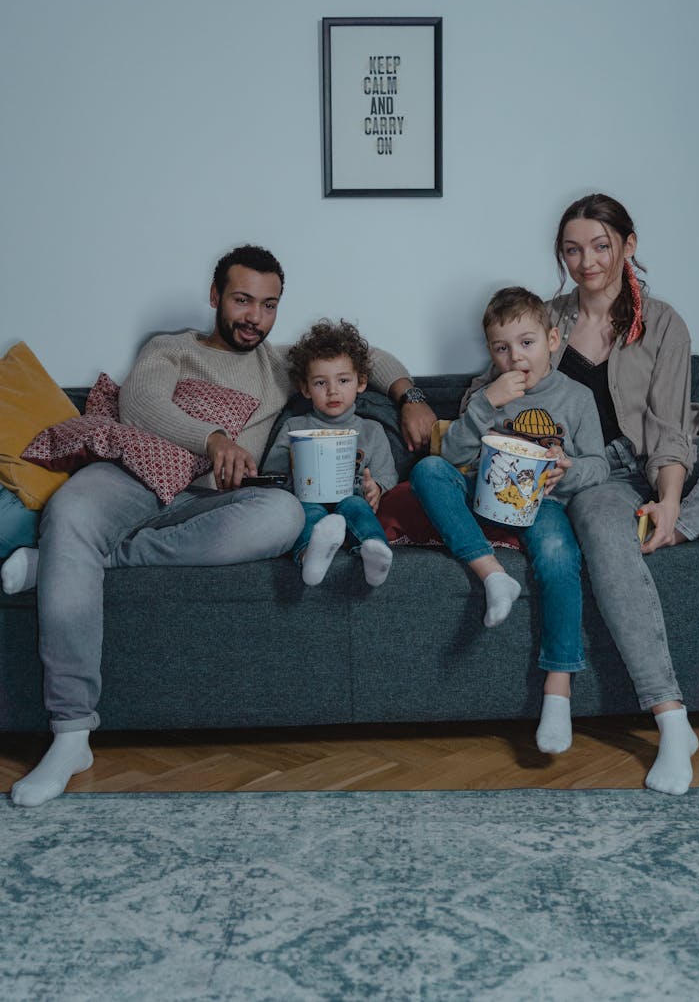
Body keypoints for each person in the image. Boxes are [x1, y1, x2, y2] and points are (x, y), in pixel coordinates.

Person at [7, 245, 435, 807]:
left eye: (268, 305)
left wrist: (412, 398)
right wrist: (213, 439)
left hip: (212, 504)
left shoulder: (279, 366)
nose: (254, 317)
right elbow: (139, 402)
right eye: (241, 300)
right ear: (215, 297)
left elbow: (368, 358)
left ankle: (81, 561)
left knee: (283, 514)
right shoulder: (171, 349)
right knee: (70, 515)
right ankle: (70, 734)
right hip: (131, 477)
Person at [469, 193, 699, 794]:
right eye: (572, 249)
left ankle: (681, 524)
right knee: (599, 523)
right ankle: (673, 721)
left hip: (666, 463)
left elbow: (675, 430)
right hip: (600, 478)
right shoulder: (548, 318)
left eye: (600, 245)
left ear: (628, 245)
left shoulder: (665, 321)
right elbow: (492, 383)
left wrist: (672, 503)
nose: (587, 261)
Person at [410, 287, 608, 754]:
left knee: (561, 558)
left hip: (541, 506)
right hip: (482, 497)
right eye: (502, 348)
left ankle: (557, 693)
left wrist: (570, 468)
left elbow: (601, 465)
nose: (514, 357)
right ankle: (493, 575)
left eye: (526, 343)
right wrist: (485, 404)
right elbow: (453, 456)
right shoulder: (485, 393)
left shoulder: (576, 398)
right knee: (427, 470)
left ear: (553, 339)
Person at [263, 319, 398, 587]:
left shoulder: (371, 430)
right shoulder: (294, 427)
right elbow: (273, 475)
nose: (333, 390)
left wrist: (376, 489)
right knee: (307, 512)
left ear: (361, 383)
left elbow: (386, 474)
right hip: (308, 499)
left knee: (357, 507)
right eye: (320, 383)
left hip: (352, 496)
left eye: (343, 380)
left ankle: (374, 552)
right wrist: (292, 482)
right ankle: (309, 557)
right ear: (305, 388)